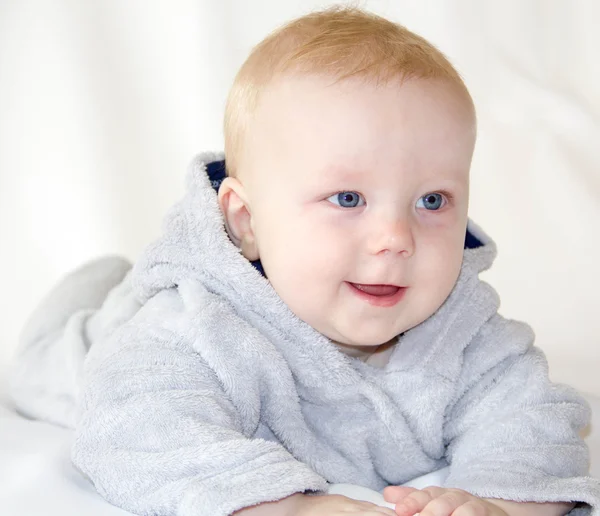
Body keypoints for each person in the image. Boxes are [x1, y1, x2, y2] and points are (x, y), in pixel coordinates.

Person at [9, 6, 600, 516]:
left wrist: (502, 500)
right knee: (49, 362)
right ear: (247, 221)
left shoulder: (464, 329)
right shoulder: (194, 329)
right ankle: (92, 288)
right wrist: (287, 503)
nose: (395, 237)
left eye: (431, 200)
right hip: (99, 343)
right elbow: (133, 429)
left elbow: (536, 417)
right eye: (348, 198)